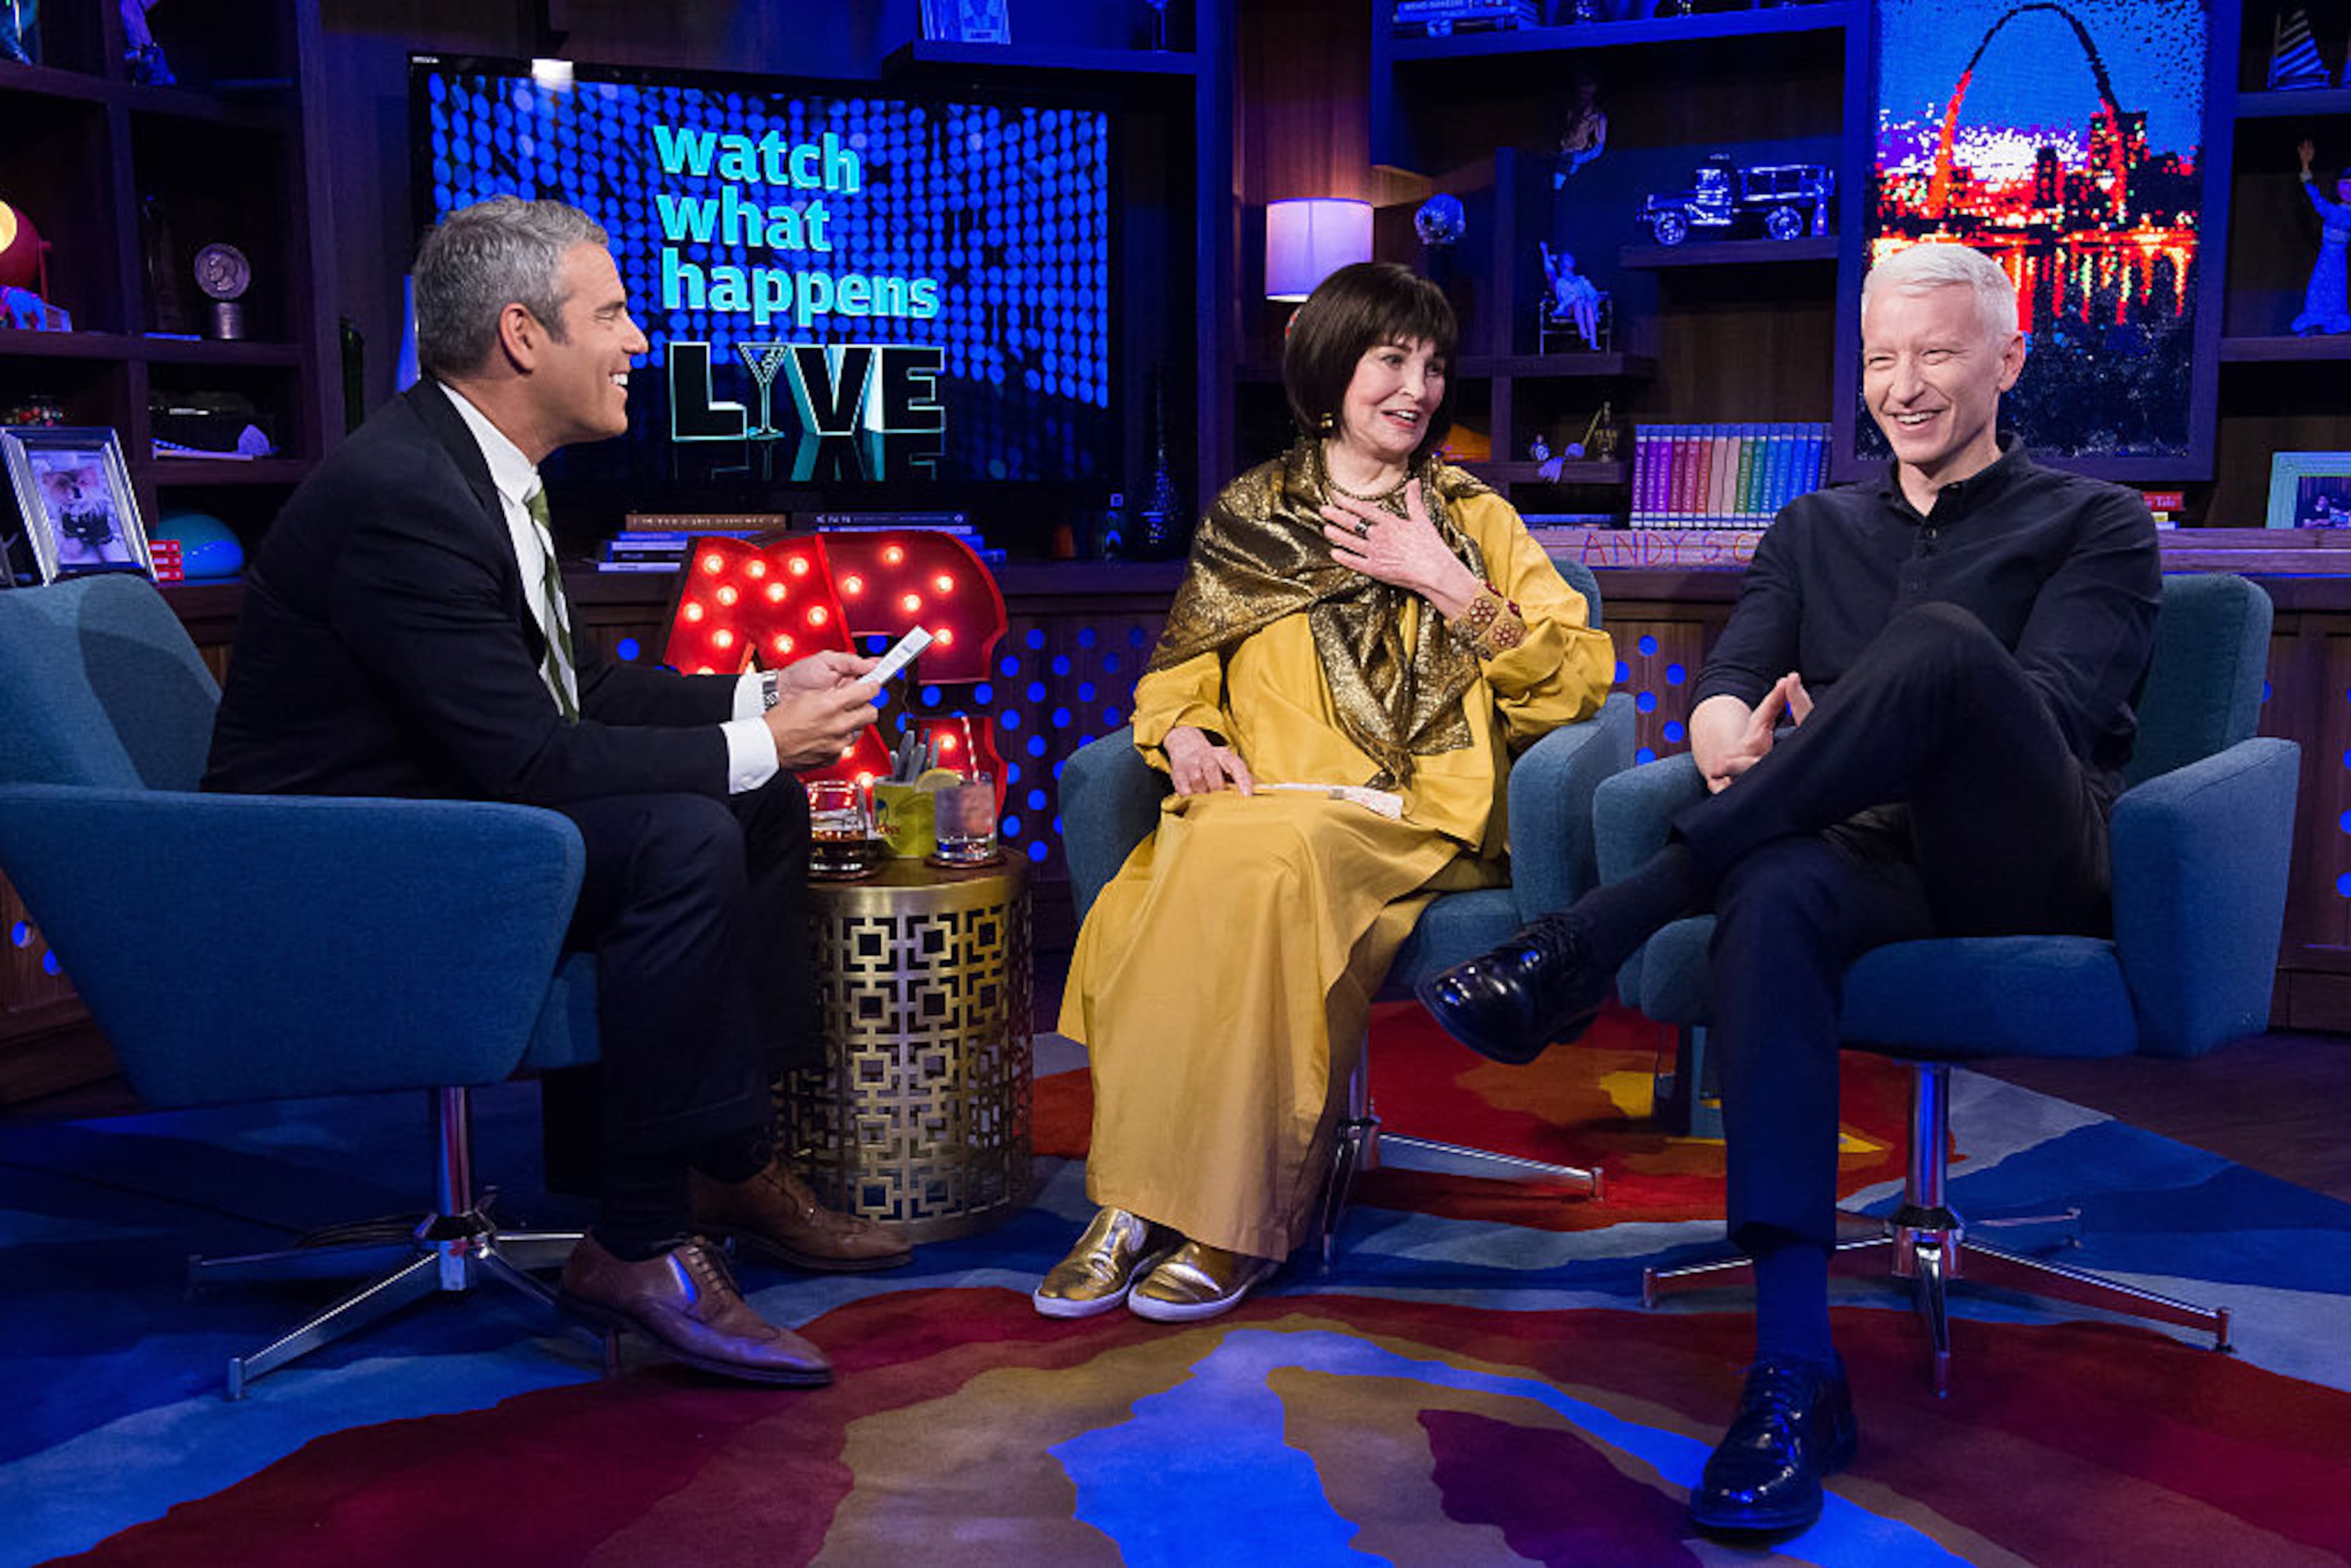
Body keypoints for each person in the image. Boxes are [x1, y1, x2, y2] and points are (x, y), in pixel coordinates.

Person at [1420, 242, 2160, 1536]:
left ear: (2008, 359)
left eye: (1938, 354)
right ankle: (1793, 1371)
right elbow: (1729, 688)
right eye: (1882, 359)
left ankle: (1598, 931)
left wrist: (1859, 721)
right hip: (1854, 855)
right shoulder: (1812, 528)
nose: (1904, 386)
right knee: (1770, 890)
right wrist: (1726, 736)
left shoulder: (2096, 522)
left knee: (1943, 649)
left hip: (2018, 856)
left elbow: (2039, 715)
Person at [204, 195, 913, 1387]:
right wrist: (766, 738)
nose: (640, 340)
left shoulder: (478, 467)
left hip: (437, 820)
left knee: (758, 802)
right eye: (615, 313)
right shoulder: (404, 496)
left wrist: (761, 695)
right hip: (333, 875)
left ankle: (721, 1160)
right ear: (523, 335)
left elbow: (575, 693)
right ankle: (638, 1240)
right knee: (681, 834)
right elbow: (532, 760)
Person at [1039, 261, 1616, 1324]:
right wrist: (1189, 730)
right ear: (1332, 367)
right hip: (1261, 796)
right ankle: (1132, 1205)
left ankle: (1232, 1220)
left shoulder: (1471, 516)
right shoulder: (1251, 513)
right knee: (1188, 870)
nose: (1418, 388)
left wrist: (1443, 579)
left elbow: (1577, 678)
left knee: (1256, 859)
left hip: (1410, 808)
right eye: (1392, 360)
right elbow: (1179, 670)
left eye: (1433, 365)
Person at [2293, 138, 2351, 336]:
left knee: (2337, 288)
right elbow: (2315, 197)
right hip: (2327, 254)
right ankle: (2315, 319)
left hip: (2340, 257)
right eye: (2345, 184)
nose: (2349, 189)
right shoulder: (2332, 210)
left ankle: (2334, 322)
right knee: (2319, 285)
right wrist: (2305, 165)